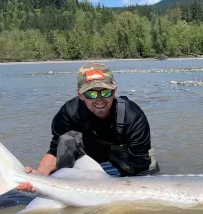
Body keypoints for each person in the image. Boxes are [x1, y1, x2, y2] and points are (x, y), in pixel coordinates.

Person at [18, 63, 159, 192]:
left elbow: (141, 168)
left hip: (131, 161)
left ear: (114, 91)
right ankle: (69, 183)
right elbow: (54, 151)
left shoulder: (133, 116)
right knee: (67, 139)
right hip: (91, 162)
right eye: (91, 93)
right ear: (80, 94)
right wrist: (40, 175)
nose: (99, 100)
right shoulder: (68, 113)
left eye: (105, 92)